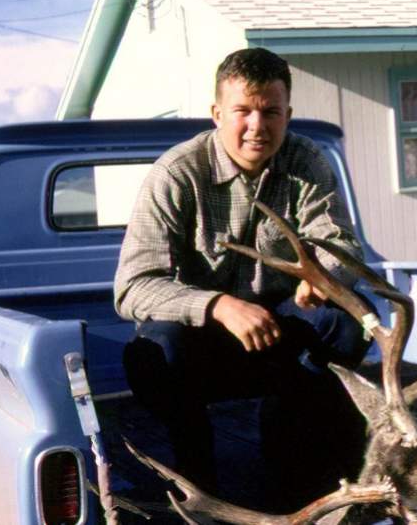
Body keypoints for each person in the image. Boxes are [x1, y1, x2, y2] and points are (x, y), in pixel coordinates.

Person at [114, 47, 370, 502]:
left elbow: (342, 244)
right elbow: (134, 286)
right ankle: (197, 483)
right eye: (243, 111)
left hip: (280, 331)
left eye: (271, 112)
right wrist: (217, 306)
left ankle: (292, 451)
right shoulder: (176, 173)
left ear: (288, 114)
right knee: (154, 352)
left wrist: (322, 276)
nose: (258, 126)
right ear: (216, 114)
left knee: (349, 323)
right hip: (204, 342)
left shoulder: (306, 161)